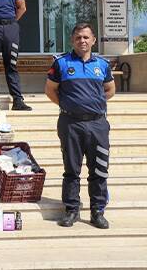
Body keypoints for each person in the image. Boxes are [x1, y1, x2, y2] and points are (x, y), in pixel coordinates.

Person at [45, 23, 115, 229]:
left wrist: (94, 105)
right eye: (78, 38)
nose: (82, 41)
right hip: (70, 123)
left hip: (97, 124)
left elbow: (110, 89)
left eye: (86, 37)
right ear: (72, 41)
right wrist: (69, 106)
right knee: (71, 169)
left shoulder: (102, 64)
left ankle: (97, 212)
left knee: (99, 170)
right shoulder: (61, 63)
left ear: (93, 40)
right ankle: (72, 210)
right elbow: (50, 91)